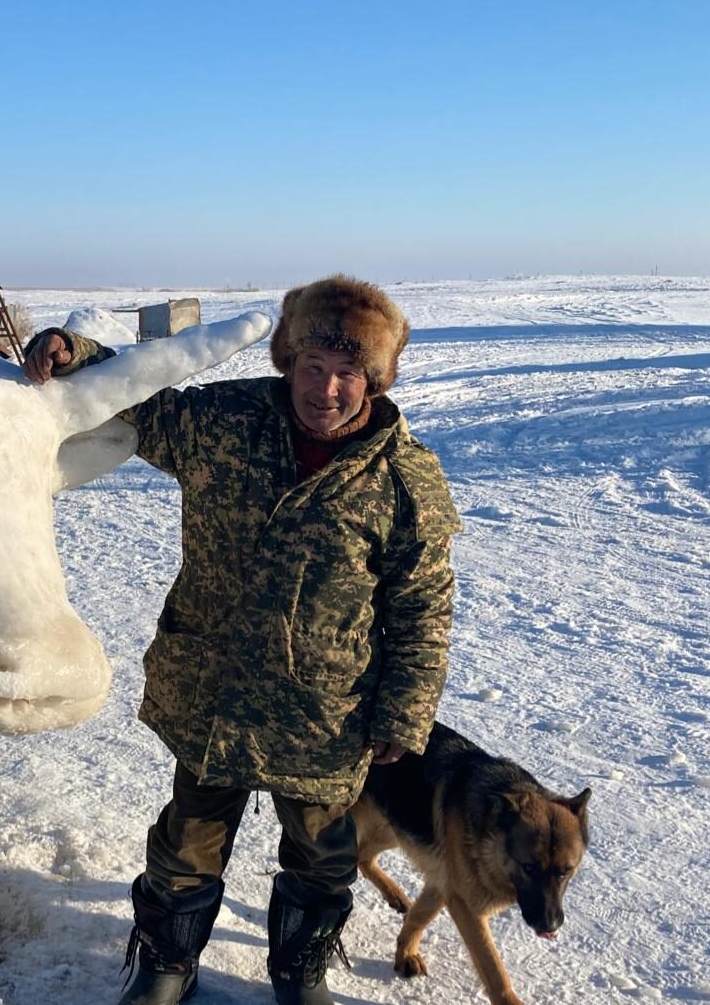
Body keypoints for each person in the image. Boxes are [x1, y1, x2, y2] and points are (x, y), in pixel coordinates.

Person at [24, 275, 460, 1005]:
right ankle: (166, 961)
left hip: (326, 711)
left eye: (347, 373)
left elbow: (422, 607)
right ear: (288, 362)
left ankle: (301, 972)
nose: (326, 389)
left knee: (323, 856)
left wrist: (404, 713)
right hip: (213, 688)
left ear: (374, 379)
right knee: (188, 841)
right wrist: (76, 353)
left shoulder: (403, 478)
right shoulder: (227, 422)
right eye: (313, 368)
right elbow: (144, 399)